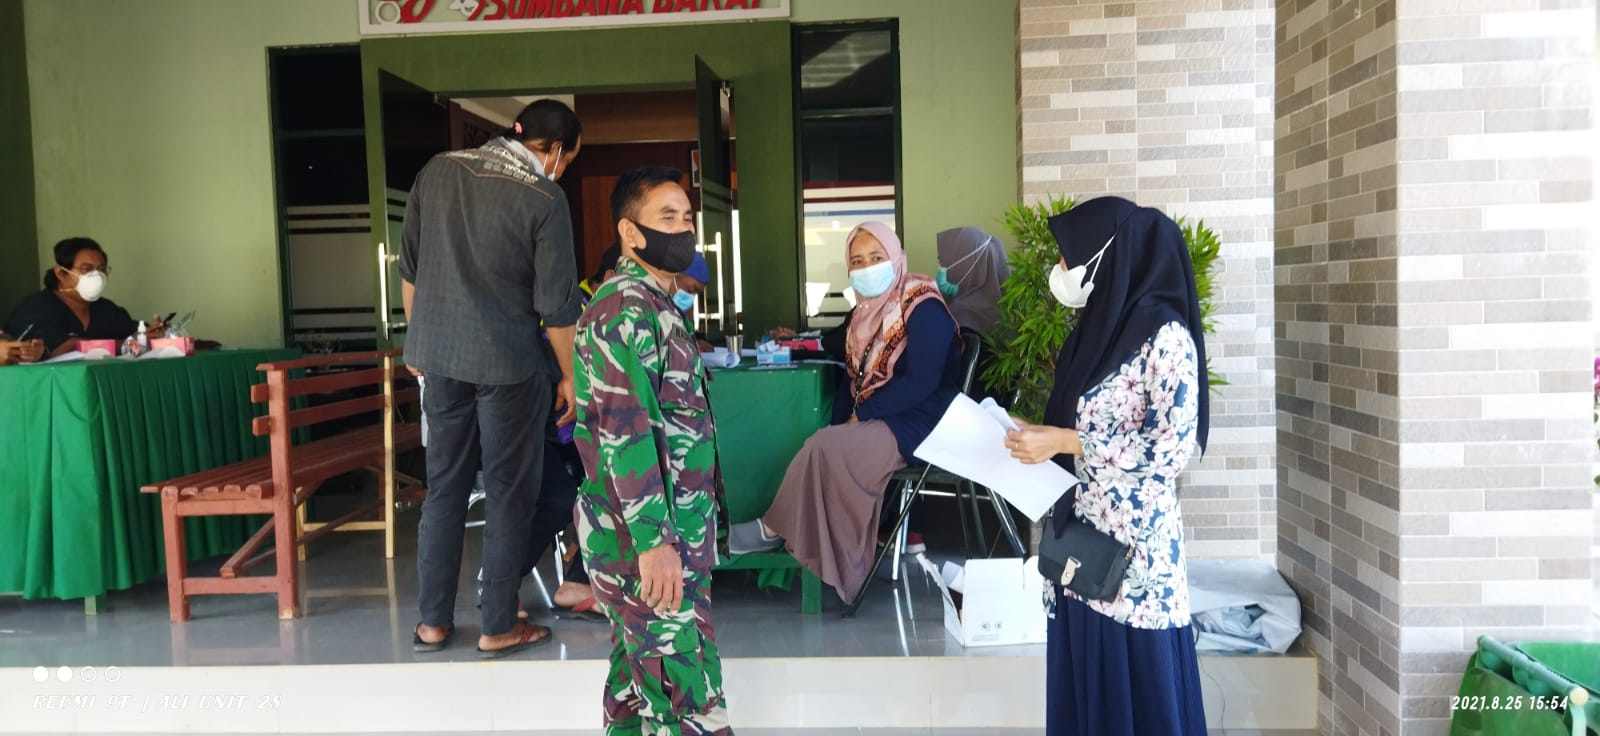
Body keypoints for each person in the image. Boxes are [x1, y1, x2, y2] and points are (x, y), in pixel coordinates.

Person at [1002, 196, 1210, 735]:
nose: (1061, 269)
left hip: (1134, 566)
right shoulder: (1096, 330)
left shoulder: (1166, 336)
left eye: (1068, 257)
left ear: (1105, 255)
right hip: (1080, 551)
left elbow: (1171, 449)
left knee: (1136, 701)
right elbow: (1081, 424)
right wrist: (1035, 433)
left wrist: (1064, 440)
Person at [402, 99, 584, 658]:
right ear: (554, 150)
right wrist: (570, 377)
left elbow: (411, 270)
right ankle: (498, 625)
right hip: (509, 365)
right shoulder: (544, 198)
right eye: (567, 160)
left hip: (442, 361)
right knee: (509, 491)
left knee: (445, 489)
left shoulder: (437, 171)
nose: (562, 171)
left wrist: (421, 341)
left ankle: (432, 624)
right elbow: (558, 309)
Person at [728, 222, 964, 605]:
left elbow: (922, 380)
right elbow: (833, 345)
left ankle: (773, 529)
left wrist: (862, 414)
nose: (867, 267)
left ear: (896, 257)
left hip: (922, 422)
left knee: (824, 446)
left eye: (876, 257)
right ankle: (790, 538)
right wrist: (791, 344)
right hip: (885, 418)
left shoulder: (923, 306)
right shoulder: (865, 314)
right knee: (822, 439)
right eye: (857, 261)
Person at [572, 165, 731, 734]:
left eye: (687, 218)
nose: (683, 229)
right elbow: (625, 432)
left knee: (633, 694)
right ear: (630, 231)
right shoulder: (624, 310)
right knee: (688, 705)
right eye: (667, 217)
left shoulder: (656, 305)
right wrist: (655, 543)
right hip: (646, 543)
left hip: (663, 539)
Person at [4, 237, 168, 359]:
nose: (97, 276)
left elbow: (136, 337)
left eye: (102, 269)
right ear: (61, 273)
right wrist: (130, 343)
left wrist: (152, 335)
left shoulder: (105, 309)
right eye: (87, 269)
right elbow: (65, 349)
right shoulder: (38, 307)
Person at [934, 226, 1010, 335]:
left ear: (965, 266)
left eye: (944, 263)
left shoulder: (960, 319)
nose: (941, 269)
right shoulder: (1010, 313)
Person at [675, 252, 716, 352]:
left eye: (696, 293)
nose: (691, 297)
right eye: (691, 290)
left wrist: (694, 344)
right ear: (675, 276)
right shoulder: (652, 308)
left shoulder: (685, 316)